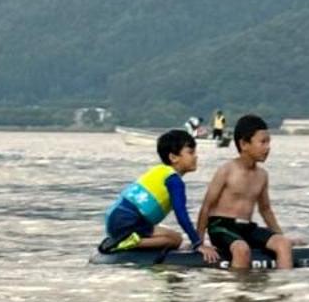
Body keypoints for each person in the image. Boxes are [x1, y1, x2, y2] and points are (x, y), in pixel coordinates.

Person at [196, 113, 294, 270]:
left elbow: (265, 209)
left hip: (246, 227)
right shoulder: (227, 170)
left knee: (284, 244)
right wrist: (199, 243)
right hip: (222, 226)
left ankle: (284, 289)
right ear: (243, 144)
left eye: (268, 142)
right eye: (262, 142)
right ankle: (239, 292)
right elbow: (206, 206)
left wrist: (280, 235)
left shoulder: (262, 175)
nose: (267, 147)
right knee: (242, 249)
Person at [98, 128, 204, 256]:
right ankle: (126, 243)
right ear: (173, 157)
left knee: (173, 236)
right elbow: (181, 215)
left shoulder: (160, 171)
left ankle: (126, 239)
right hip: (128, 222)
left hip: (115, 219)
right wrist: (197, 243)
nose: (196, 156)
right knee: (176, 239)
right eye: (191, 152)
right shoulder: (174, 181)